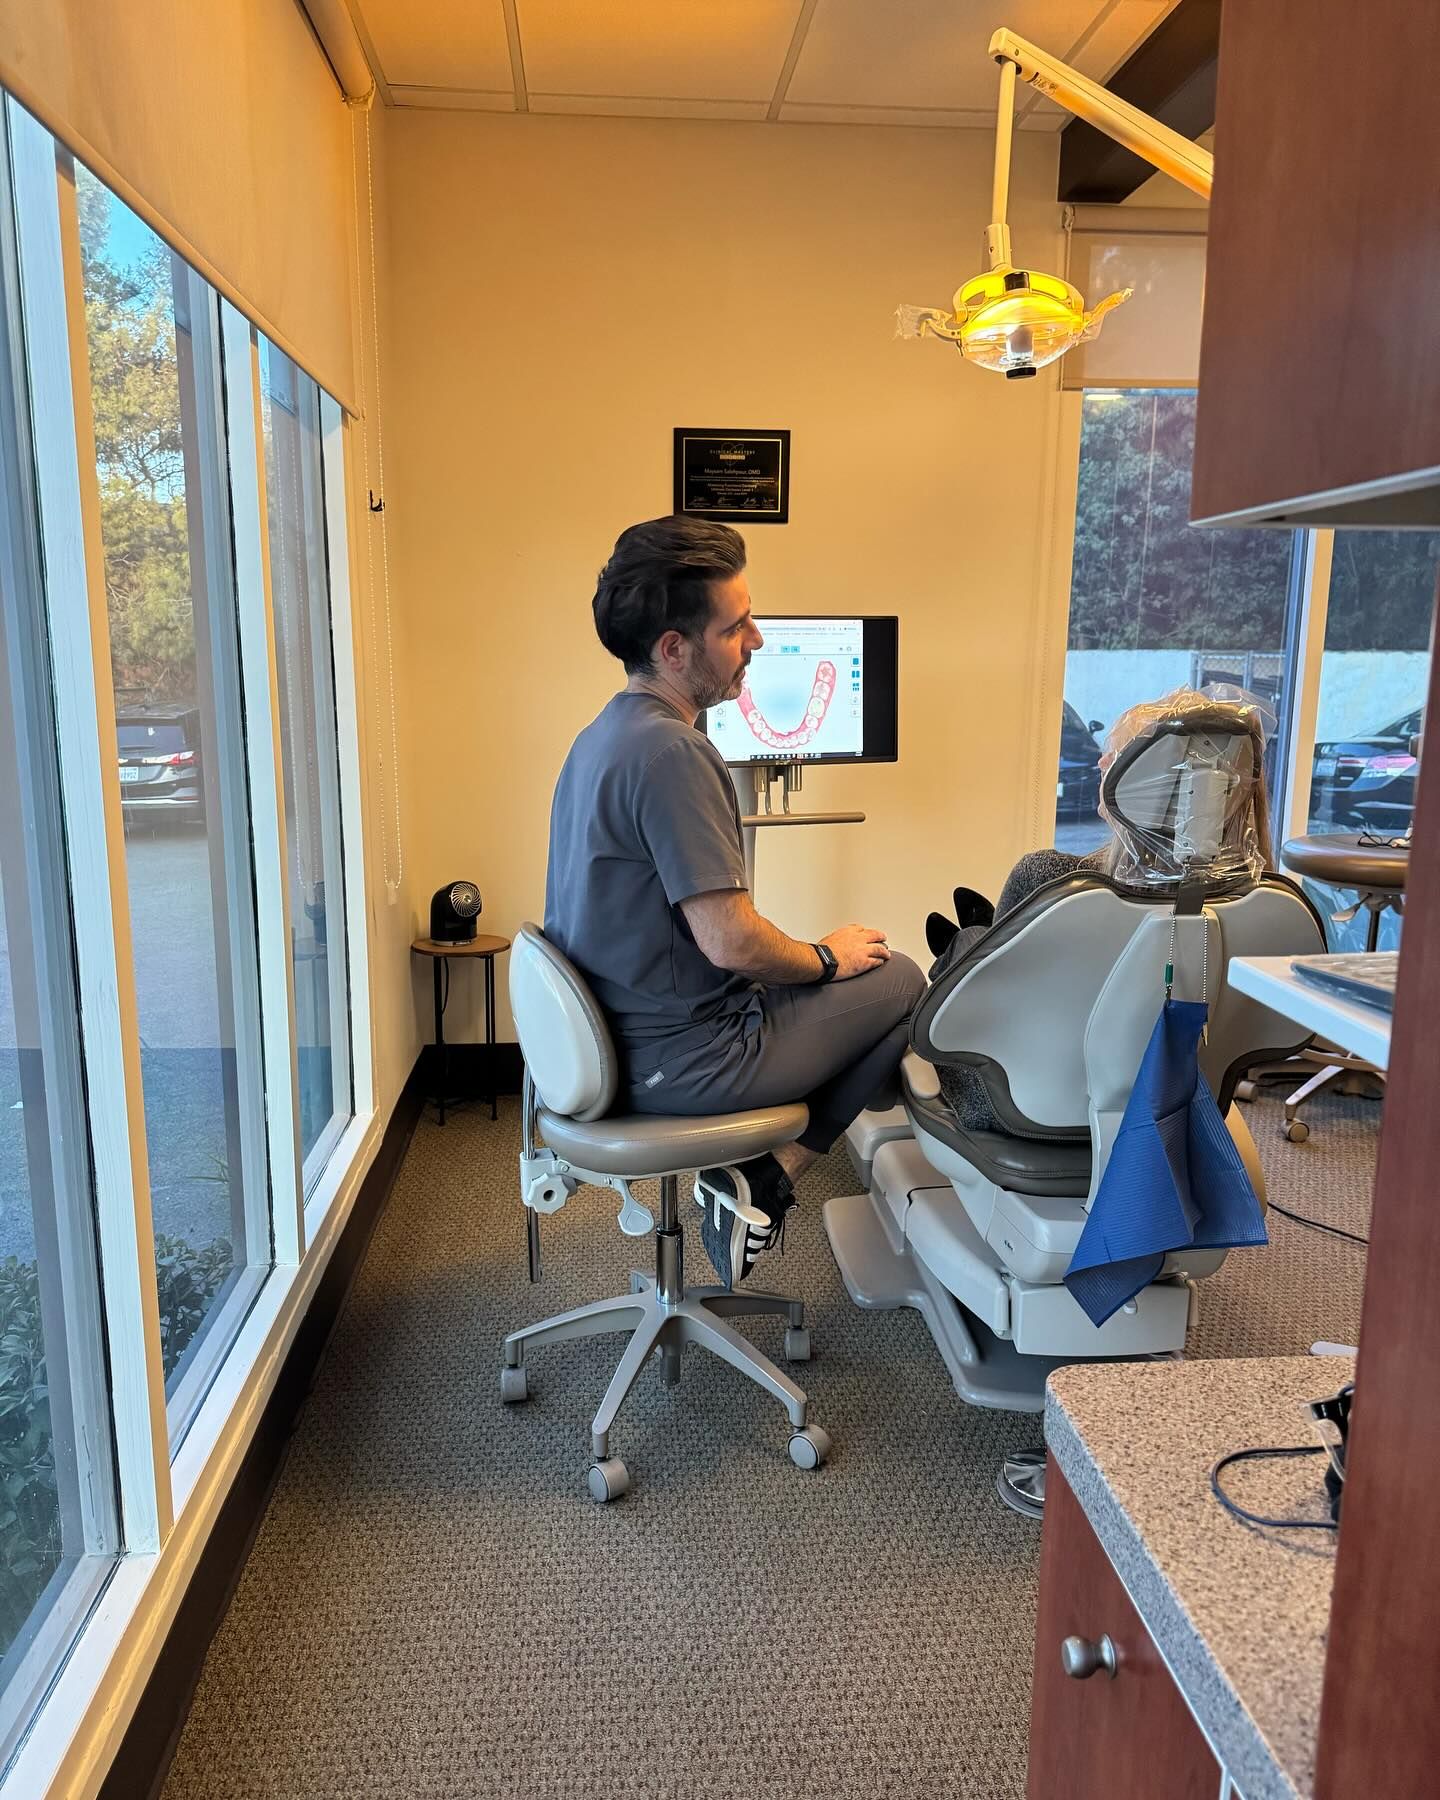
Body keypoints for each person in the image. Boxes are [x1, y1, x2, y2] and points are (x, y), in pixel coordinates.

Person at [545, 515, 925, 1288]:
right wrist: (824, 960)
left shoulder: (603, 736)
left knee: (846, 974)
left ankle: (757, 1175)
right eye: (735, 626)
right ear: (673, 649)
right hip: (683, 1062)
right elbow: (730, 942)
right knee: (901, 980)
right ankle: (771, 1174)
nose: (756, 639)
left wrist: (810, 963)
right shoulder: (673, 752)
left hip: (621, 1041)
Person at [922, 685, 1275, 1137]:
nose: (1100, 762)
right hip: (1183, 1104)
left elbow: (985, 1013)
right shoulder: (1263, 904)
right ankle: (977, 934)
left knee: (961, 962)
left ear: (1149, 782)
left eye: (1119, 754)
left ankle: (965, 941)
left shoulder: (1055, 881)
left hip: (1021, 1109)